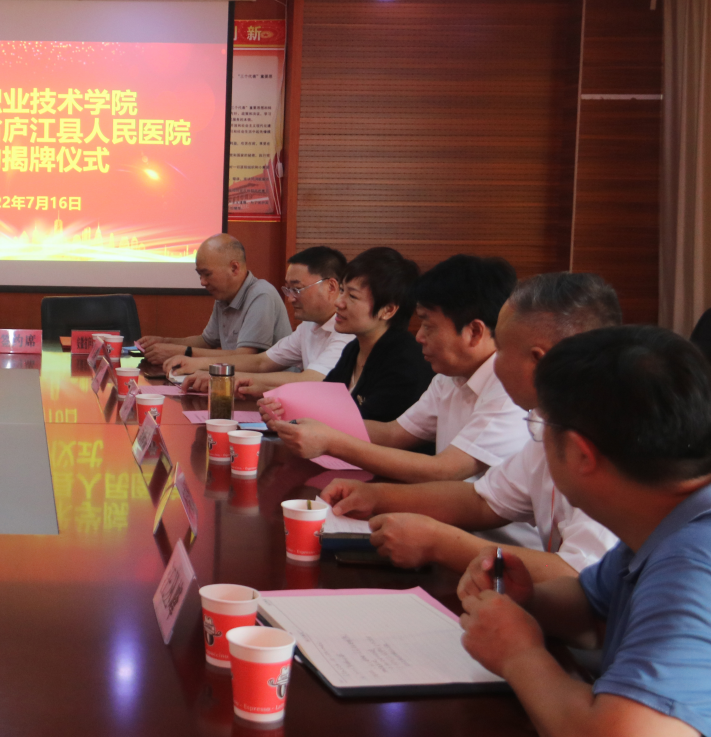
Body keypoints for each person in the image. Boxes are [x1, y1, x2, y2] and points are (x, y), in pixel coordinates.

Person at [458, 326, 711, 737]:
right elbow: (595, 611)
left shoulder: (692, 563)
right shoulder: (664, 518)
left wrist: (518, 654)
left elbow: (627, 733)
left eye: (541, 424)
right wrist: (529, 600)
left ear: (580, 453)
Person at [321, 273, 622, 579]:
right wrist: (376, 496)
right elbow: (482, 500)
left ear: (538, 361)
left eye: (500, 348)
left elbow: (579, 576)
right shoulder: (548, 423)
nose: (493, 359)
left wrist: (439, 543)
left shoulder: (611, 441)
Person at [263, 254, 525, 482]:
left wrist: (331, 442)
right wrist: (298, 420)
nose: (419, 336)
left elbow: (444, 470)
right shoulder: (448, 378)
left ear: (474, 332)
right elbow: (394, 433)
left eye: (428, 326)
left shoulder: (508, 391)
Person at [164, 246, 352, 396]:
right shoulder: (309, 326)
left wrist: (224, 378)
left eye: (297, 289)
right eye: (288, 290)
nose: (290, 298)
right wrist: (200, 364)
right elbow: (262, 362)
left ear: (331, 286)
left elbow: (311, 380)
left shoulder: (348, 330)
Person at [136, 234, 291, 365]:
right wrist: (164, 342)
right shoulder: (224, 296)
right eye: (200, 275)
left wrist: (182, 352)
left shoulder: (261, 295)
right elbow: (206, 342)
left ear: (234, 268)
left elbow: (245, 358)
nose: (202, 282)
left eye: (207, 274)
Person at [320, 247, 432, 423]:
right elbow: (322, 400)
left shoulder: (406, 363)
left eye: (352, 296)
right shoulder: (354, 348)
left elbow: (367, 426)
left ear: (387, 310)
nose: (338, 302)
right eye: (342, 291)